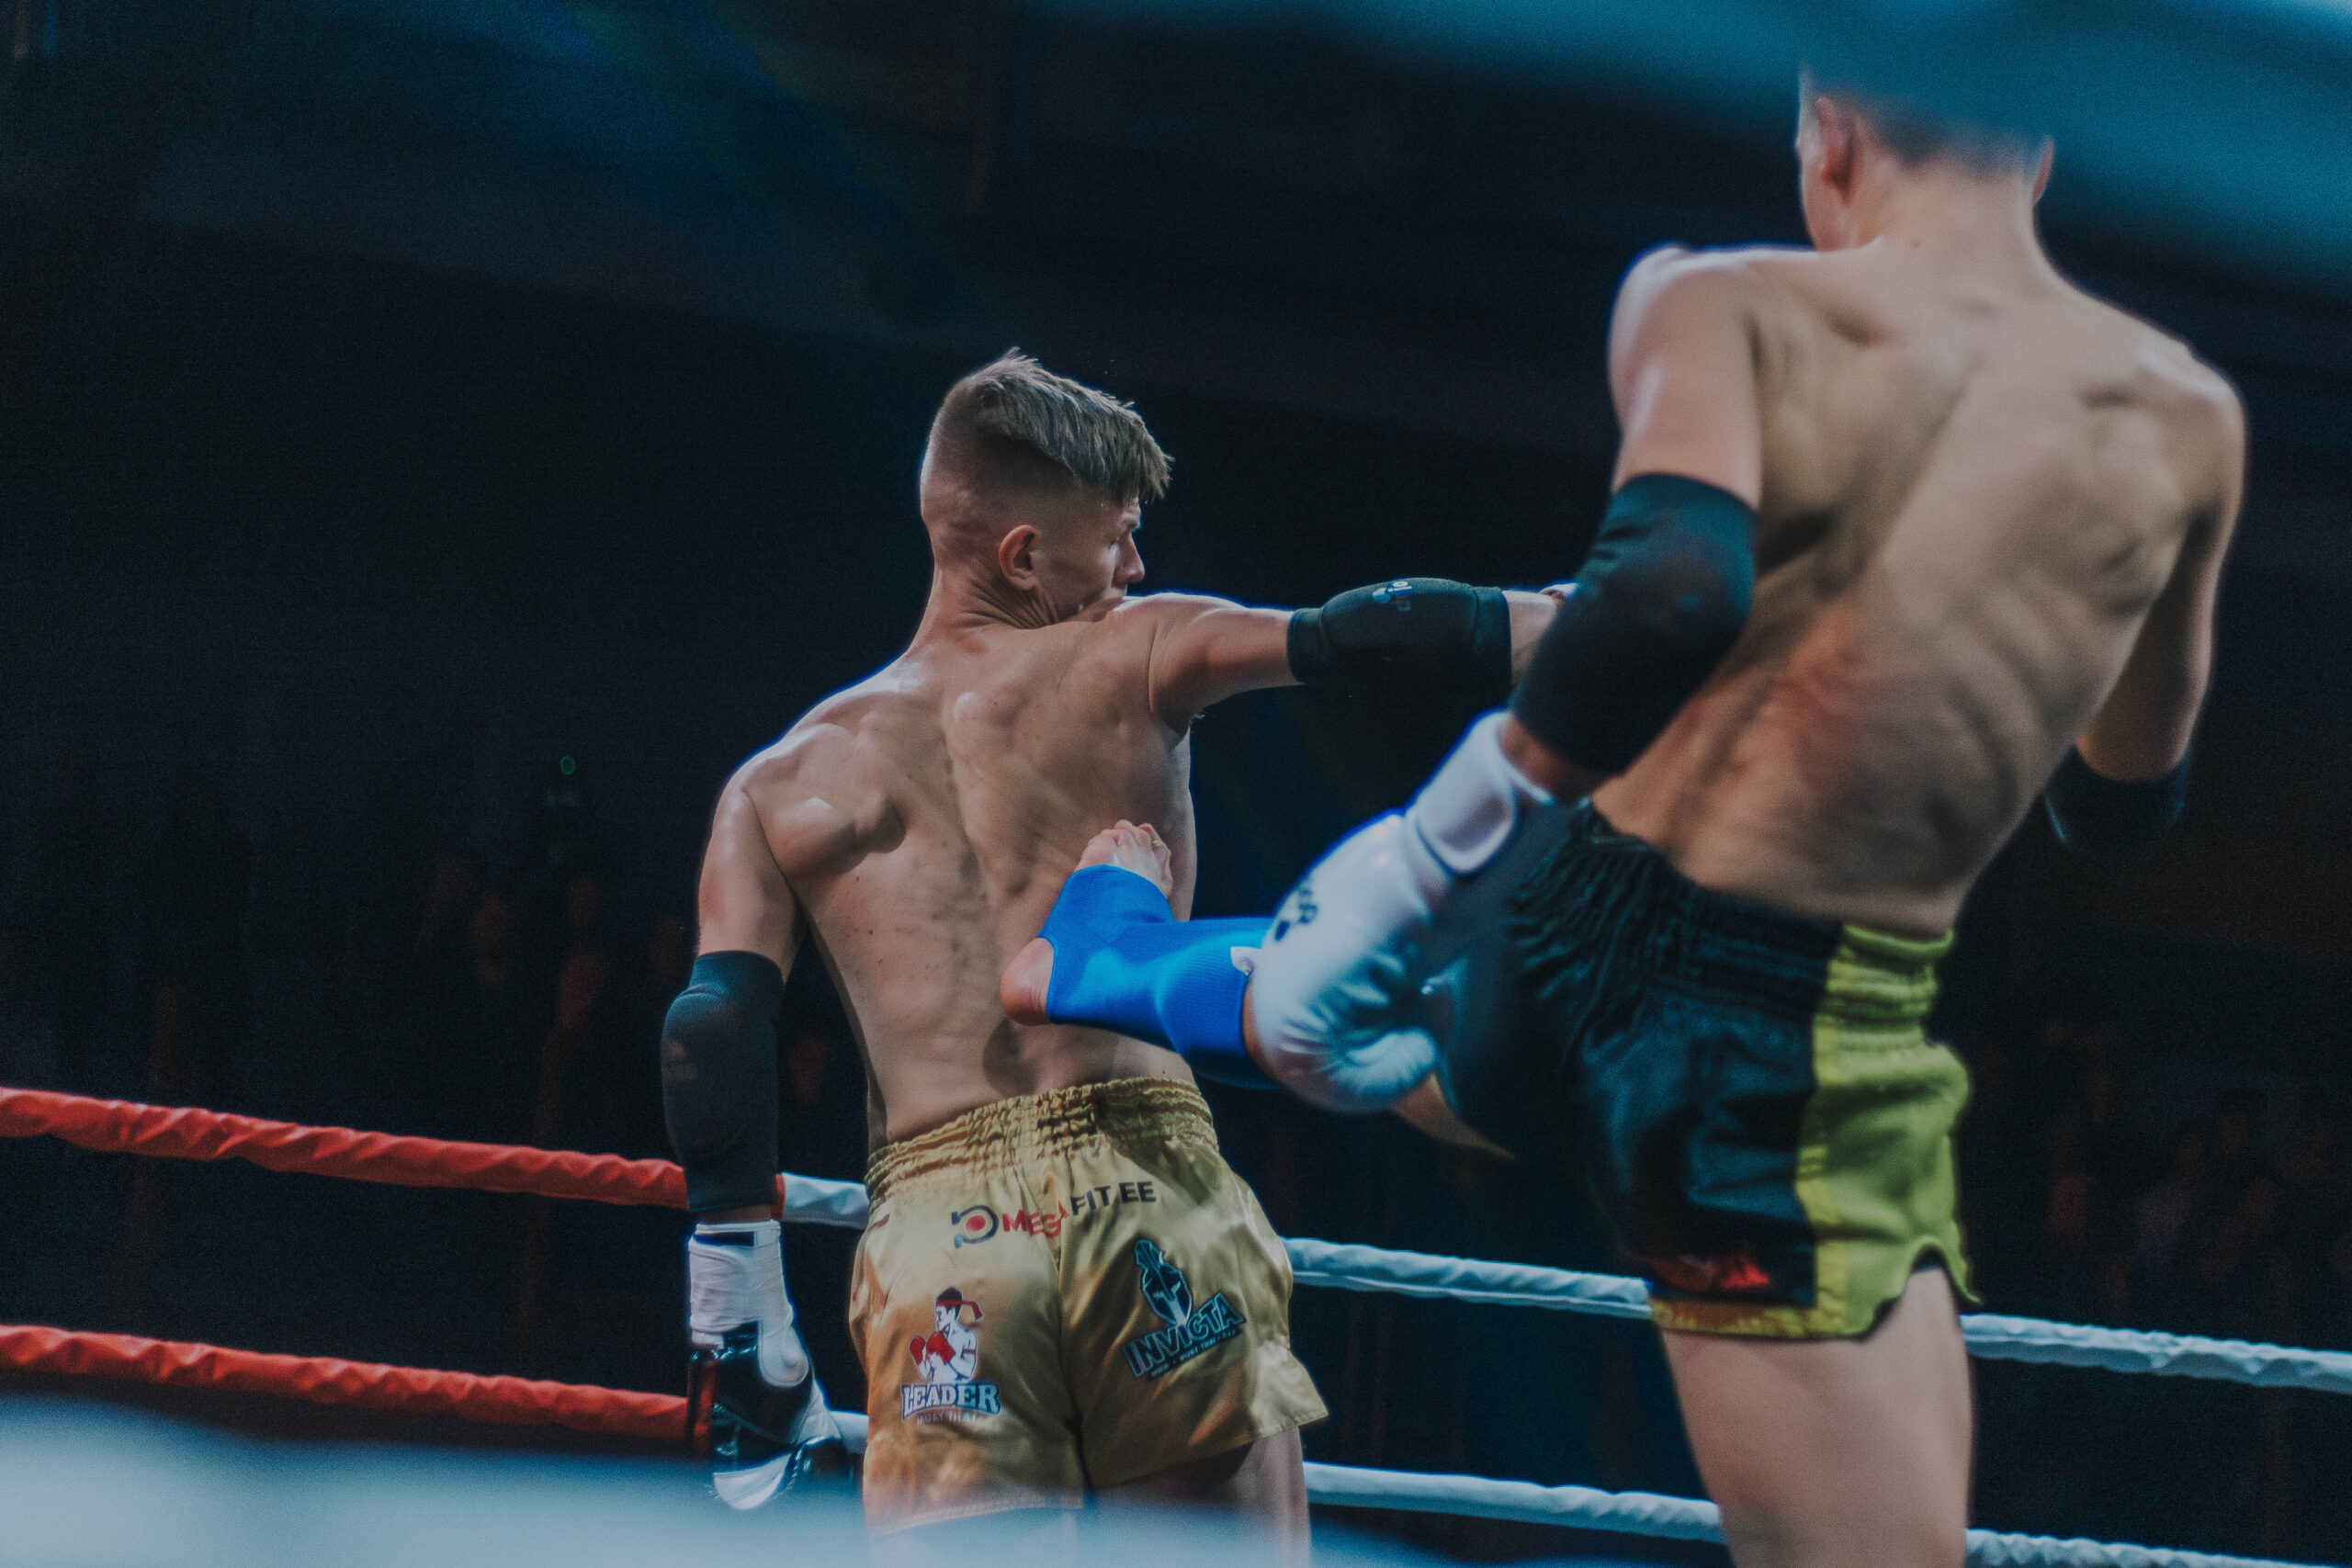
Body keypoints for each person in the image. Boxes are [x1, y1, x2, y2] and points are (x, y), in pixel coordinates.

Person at [1004, 76, 2244, 1568]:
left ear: (1831, 127)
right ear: (2041, 153)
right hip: (1764, 1042)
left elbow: (1671, 588)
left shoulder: (1720, 302)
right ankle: (1126, 960)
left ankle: (1100, 961)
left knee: (1392, 1030)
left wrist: (1425, 864)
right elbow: (2119, 803)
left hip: (1567, 912)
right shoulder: (2180, 424)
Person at [655, 351, 1560, 1545]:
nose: (1135, 567)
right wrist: (1616, 620)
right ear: (1023, 555)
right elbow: (1363, 636)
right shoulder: (1135, 648)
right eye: (1119, 537)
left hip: (944, 1243)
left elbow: (712, 1031)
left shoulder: (778, 783)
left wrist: (743, 1317)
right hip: (1145, 1191)